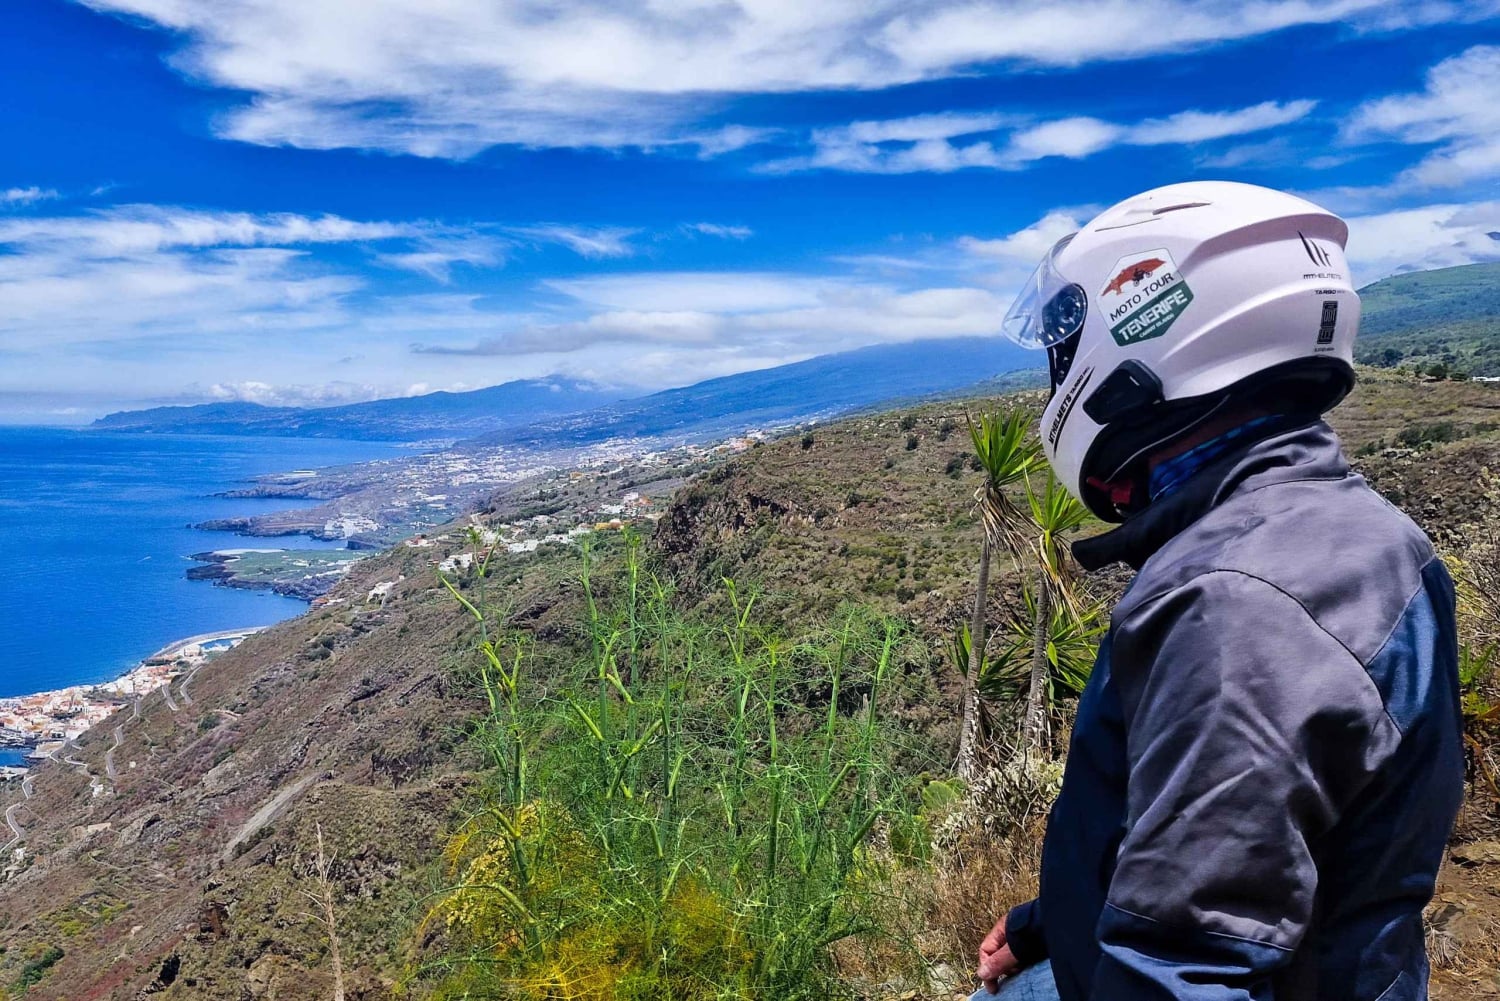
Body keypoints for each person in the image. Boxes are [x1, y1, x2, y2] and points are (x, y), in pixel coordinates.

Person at [972, 181, 1464, 1001]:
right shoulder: (1366, 534)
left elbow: (1187, 965)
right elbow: (1222, 841)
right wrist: (1046, 922)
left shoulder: (1237, 606)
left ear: (1145, 339)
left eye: (1067, 347)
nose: (1057, 379)